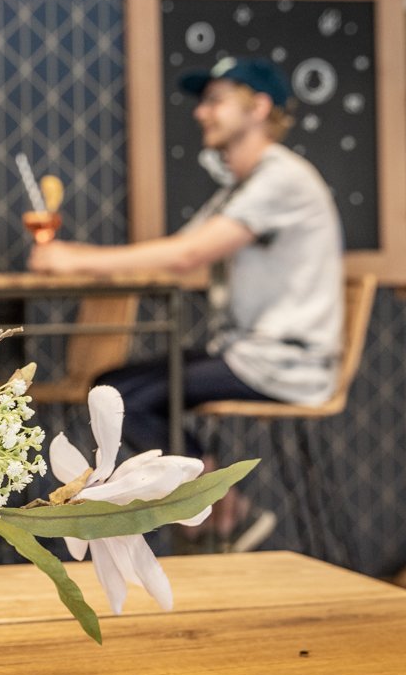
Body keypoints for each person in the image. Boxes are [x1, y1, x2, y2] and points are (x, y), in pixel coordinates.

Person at [29, 56, 344, 552]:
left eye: (216, 101)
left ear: (259, 108)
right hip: (250, 353)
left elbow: (188, 256)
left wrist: (73, 260)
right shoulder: (242, 187)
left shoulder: (281, 178)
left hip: (284, 363)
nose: (201, 112)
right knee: (111, 387)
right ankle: (220, 509)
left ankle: (217, 509)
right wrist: (84, 260)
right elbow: (186, 251)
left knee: (123, 397)